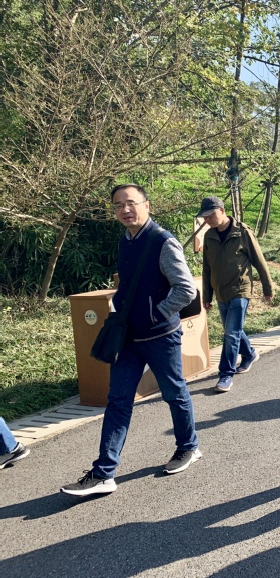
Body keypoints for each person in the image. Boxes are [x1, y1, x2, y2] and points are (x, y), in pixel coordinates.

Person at [62, 184, 201, 497]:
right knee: (118, 401)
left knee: (174, 392)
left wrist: (156, 314)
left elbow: (185, 289)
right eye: (117, 205)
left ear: (146, 205)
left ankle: (188, 446)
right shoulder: (125, 241)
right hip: (127, 337)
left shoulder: (163, 241)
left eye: (130, 203)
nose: (124, 210)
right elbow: (127, 284)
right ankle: (103, 473)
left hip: (161, 336)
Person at [198, 196, 275, 392]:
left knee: (231, 334)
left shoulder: (242, 232)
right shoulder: (209, 236)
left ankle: (226, 374)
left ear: (222, 210)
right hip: (220, 291)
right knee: (233, 330)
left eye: (211, 215)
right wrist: (206, 296)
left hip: (240, 289)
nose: (208, 219)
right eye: (205, 217)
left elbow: (259, 261)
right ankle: (249, 354)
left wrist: (268, 288)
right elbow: (207, 268)